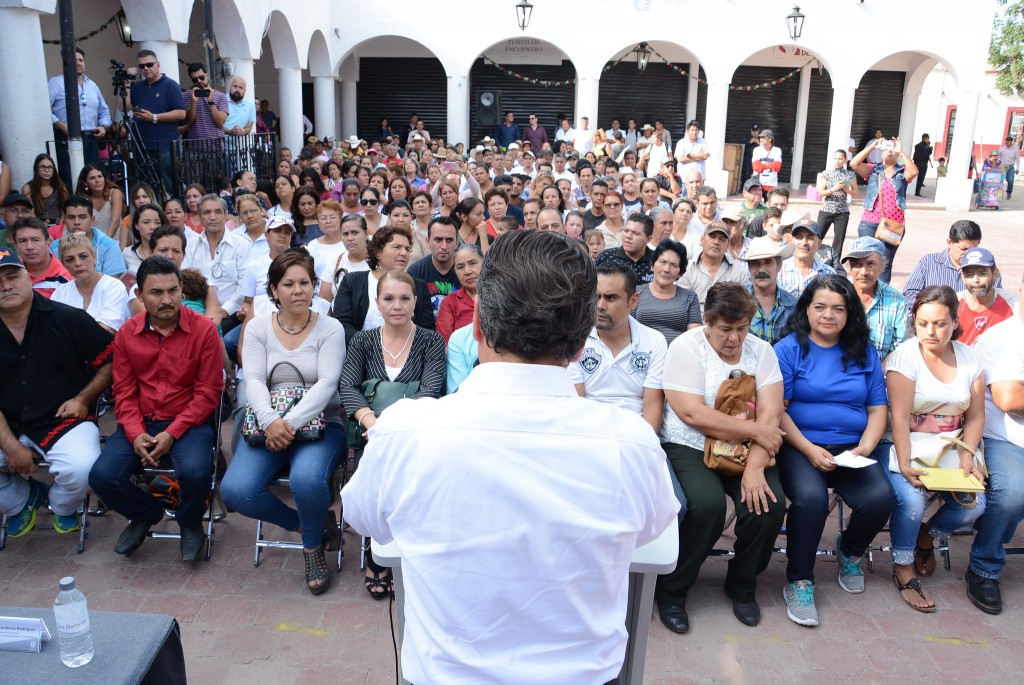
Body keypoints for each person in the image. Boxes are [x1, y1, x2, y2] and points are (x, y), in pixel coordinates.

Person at [342, 231, 676, 682]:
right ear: (580, 347)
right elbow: (650, 530)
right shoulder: (632, 444)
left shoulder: (404, 432)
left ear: (476, 326)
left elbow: (367, 520)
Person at [656, 282, 787, 634]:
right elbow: (691, 413)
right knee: (707, 506)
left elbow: (771, 415)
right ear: (707, 322)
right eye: (725, 329)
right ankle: (671, 589)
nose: (734, 339)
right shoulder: (686, 348)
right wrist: (757, 431)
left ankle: (742, 584)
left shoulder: (761, 352)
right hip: (691, 444)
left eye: (741, 329)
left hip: (745, 448)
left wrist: (757, 465)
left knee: (768, 505)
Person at [222, 249, 345, 595]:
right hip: (267, 424)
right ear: (273, 290)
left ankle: (311, 550)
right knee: (236, 490)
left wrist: (287, 424)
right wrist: (270, 421)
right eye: (288, 284)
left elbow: (327, 383)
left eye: (304, 282)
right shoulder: (259, 327)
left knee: (307, 480)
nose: (298, 290)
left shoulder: (330, 327)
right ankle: (310, 526)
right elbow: (255, 380)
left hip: (320, 422)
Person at [774, 275, 894, 627]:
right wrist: (809, 449)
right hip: (799, 445)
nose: (829, 315)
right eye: (820, 307)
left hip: (851, 447)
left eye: (838, 309)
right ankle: (799, 581)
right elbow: (778, 410)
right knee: (810, 500)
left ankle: (850, 551)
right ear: (806, 309)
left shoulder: (864, 351)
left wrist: (865, 447)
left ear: (850, 312)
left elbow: (877, 409)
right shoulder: (789, 349)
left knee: (880, 497)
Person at [89, 256, 224, 562]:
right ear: (139, 295)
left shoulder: (203, 331)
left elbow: (208, 393)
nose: (167, 300)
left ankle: (190, 522)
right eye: (156, 293)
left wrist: (172, 433)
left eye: (173, 291)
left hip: (188, 422)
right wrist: (136, 434)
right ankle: (145, 513)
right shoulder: (127, 333)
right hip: (140, 420)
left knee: (195, 472)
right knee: (101, 476)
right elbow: (123, 390)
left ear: (181, 291)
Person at [339, 269, 447, 598]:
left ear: (416, 302)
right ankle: (377, 548)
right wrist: (372, 422)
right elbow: (348, 386)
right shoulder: (363, 341)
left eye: (403, 298)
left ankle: (407, 547)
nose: (396, 305)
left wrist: (390, 426)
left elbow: (429, 391)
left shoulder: (431, 341)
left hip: (412, 435)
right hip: (372, 436)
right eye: (388, 298)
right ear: (378, 303)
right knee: (375, 469)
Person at [885, 285, 986, 612]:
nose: (931, 331)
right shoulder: (906, 356)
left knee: (974, 504)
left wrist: (967, 455)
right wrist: (904, 464)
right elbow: (899, 418)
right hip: (907, 445)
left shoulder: (971, 358)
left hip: (952, 446)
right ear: (914, 321)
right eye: (923, 323)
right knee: (912, 500)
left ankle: (927, 536)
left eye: (940, 323)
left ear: (955, 322)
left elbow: (975, 417)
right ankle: (902, 567)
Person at [0, 250, 113, 537]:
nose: (5, 286)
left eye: (12, 276)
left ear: (28, 277)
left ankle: (61, 506)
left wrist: (83, 398)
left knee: (84, 468)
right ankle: (22, 501)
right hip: (6, 422)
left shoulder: (67, 318)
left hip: (62, 419)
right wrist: (11, 447)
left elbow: (111, 361)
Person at [969, 297, 1024, 615]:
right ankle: (983, 567)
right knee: (1012, 495)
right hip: (1007, 438)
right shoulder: (1002, 337)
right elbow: (1009, 397)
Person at [332, 225, 434, 343]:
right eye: (397, 247)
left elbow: (426, 329)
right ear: (378, 252)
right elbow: (342, 325)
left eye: (407, 249)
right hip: (361, 354)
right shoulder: (352, 282)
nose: (403, 253)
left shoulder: (418, 286)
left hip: (407, 355)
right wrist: (375, 346)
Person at [850, 136, 917, 283]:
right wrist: (872, 146)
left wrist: (902, 151)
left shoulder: (902, 172)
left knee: (884, 264)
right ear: (881, 153)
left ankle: (881, 295)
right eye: (887, 149)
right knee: (864, 259)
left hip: (893, 224)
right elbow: (854, 164)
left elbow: (913, 172)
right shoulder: (874, 170)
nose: (890, 152)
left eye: (893, 150)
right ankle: (862, 292)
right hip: (869, 223)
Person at [182, 194, 250, 334]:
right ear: (200, 217)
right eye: (207, 212)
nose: (212, 217)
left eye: (218, 212)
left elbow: (244, 284)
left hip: (231, 313)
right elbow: (185, 280)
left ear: (226, 215)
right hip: (197, 310)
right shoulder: (190, 246)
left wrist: (225, 310)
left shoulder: (241, 245)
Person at [902, 220, 1000, 311]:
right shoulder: (928, 262)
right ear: (949, 242)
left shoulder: (988, 269)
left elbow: (996, 297)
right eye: (963, 249)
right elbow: (909, 294)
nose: (967, 254)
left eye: (972, 249)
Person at [48, 47, 111, 184]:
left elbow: (104, 111)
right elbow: (43, 108)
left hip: (90, 138)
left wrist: (104, 127)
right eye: (74, 60)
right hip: (66, 137)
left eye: (81, 60)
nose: (78, 63)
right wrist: (60, 124)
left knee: (93, 178)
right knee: (70, 178)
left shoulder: (92, 85)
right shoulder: (56, 83)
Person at [126, 50, 186, 193]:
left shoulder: (171, 85)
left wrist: (154, 117)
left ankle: (176, 212)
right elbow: (124, 107)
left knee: (171, 184)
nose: (146, 68)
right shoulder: (137, 87)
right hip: (142, 145)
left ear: (158, 64)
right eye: (142, 66)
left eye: (149, 64)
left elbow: (181, 113)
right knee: (147, 187)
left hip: (165, 145)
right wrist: (128, 83)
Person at [841, 236, 908, 358]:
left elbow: (901, 348)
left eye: (870, 264)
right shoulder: (838, 295)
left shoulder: (897, 302)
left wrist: (877, 372)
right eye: (857, 264)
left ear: (882, 266)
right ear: (849, 267)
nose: (864, 272)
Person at [52, 232, 129, 333]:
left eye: (83, 256)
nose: (78, 263)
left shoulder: (113, 286)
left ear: (94, 256)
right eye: (69, 259)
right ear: (63, 264)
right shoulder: (60, 292)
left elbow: (108, 329)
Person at [740, 236, 797, 345]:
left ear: (779, 265)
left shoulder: (793, 305)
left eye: (768, 263)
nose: (761, 270)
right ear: (749, 267)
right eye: (755, 263)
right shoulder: (736, 301)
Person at [678, 221, 750, 307]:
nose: (716, 242)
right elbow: (682, 306)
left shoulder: (739, 272)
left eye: (722, 239)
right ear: (702, 240)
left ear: (727, 246)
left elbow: (742, 307)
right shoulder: (686, 269)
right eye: (712, 236)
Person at [52, 195, 128, 277]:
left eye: (82, 217)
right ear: (64, 220)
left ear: (92, 220)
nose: (76, 222)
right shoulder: (55, 247)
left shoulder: (109, 246)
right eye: (71, 217)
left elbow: (112, 284)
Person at [957, 247, 1016, 345]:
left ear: (995, 274)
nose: (976, 280)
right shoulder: (953, 304)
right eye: (970, 275)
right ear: (963, 277)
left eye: (982, 273)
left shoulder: (1014, 304)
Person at [406, 216, 462, 319]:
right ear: (427, 242)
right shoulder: (415, 272)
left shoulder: (466, 271)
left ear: (457, 243)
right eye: (438, 240)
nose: (444, 246)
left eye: (449, 240)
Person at [12, 217, 71, 298]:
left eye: (35, 240)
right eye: (23, 241)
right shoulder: (10, 276)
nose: (29, 247)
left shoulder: (66, 279)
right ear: (16, 246)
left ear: (48, 244)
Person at [777, 219, 836, 297]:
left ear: (819, 243)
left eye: (810, 238)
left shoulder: (829, 273)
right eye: (799, 237)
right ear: (791, 241)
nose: (804, 243)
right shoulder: (778, 271)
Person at [816, 150, 858, 257]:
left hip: (842, 212)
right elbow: (820, 193)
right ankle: (813, 258)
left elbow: (856, 193)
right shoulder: (827, 173)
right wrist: (832, 189)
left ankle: (835, 264)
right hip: (826, 210)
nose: (837, 161)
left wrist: (846, 190)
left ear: (845, 160)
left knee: (839, 240)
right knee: (817, 237)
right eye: (835, 158)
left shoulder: (850, 174)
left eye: (840, 158)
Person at [595, 212, 654, 286]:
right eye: (626, 231)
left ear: (648, 239)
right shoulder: (606, 257)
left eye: (635, 233)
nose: (628, 236)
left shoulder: (657, 260)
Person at [76, 164, 125, 244]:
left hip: (114, 242)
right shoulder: (82, 199)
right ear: (85, 182)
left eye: (100, 176)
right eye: (92, 178)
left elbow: (115, 221)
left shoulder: (114, 193)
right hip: (91, 244)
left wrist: (103, 243)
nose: (97, 180)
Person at [182, 62, 228, 141]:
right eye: (195, 79)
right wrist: (193, 102)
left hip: (216, 147)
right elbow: (189, 122)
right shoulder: (188, 95)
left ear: (207, 75)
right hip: (194, 148)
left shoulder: (221, 96)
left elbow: (220, 122)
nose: (199, 81)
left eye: (201, 77)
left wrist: (211, 101)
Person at [22, 154, 69, 226]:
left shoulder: (60, 187)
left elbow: (65, 209)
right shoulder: (28, 188)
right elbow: (30, 213)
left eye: (50, 167)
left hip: (59, 225)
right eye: (43, 167)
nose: (46, 170)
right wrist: (40, 226)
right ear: (36, 169)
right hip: (37, 226)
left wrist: (62, 220)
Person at [121, 203, 167, 276]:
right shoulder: (127, 253)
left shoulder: (170, 251)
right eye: (146, 222)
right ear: (136, 225)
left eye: (157, 222)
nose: (152, 227)